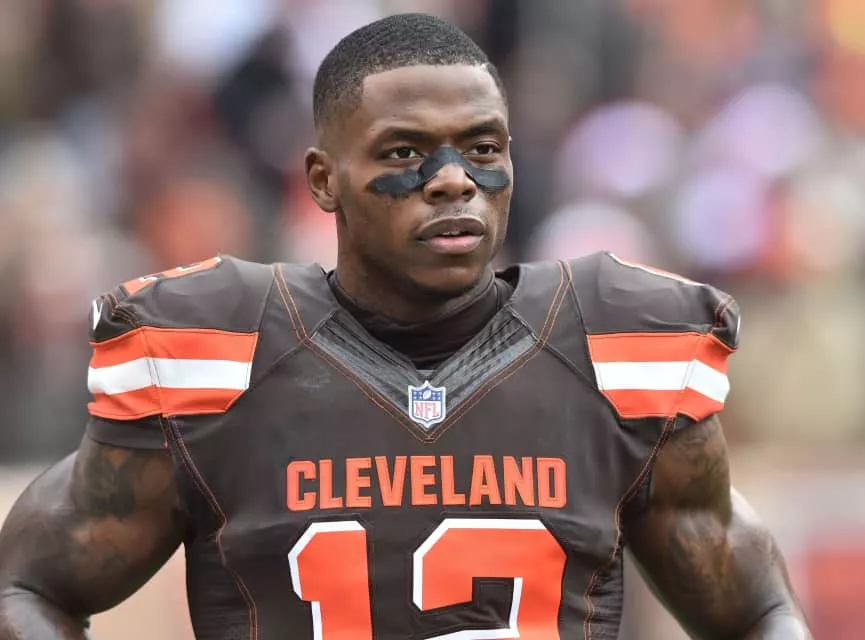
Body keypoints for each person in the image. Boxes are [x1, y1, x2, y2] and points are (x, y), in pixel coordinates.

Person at [0, 13, 811, 640]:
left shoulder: (618, 349)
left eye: (481, 147)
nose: (452, 179)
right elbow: (28, 589)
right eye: (403, 152)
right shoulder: (214, 354)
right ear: (324, 180)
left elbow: (756, 613)